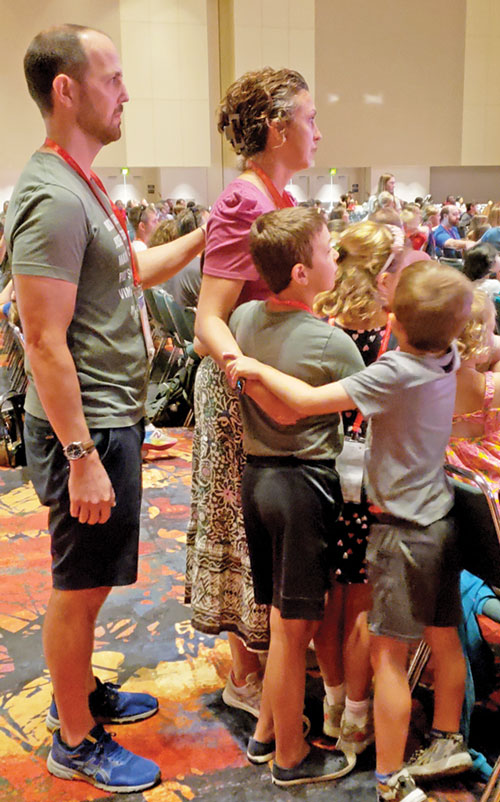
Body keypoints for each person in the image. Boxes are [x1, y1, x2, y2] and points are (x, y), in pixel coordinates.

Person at [5, 24, 205, 794]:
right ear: (67, 89)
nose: (127, 91)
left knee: (91, 586)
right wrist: (82, 456)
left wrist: (203, 236)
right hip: (83, 429)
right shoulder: (51, 195)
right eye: (114, 77)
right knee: (78, 586)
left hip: (112, 416)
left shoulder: (86, 182)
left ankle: (81, 698)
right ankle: (75, 741)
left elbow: (136, 270)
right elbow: (45, 343)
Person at [226, 261, 474, 802]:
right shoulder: (449, 357)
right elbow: (474, 397)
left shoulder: (393, 371)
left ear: (396, 323)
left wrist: (256, 369)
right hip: (441, 519)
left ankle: (388, 775)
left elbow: (307, 403)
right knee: (443, 636)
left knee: (388, 656)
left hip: (397, 531)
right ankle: (446, 738)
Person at [185, 67, 321, 716]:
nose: (319, 132)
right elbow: (208, 316)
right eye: (311, 119)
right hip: (238, 387)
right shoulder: (247, 198)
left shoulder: (272, 196)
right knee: (240, 526)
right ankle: (246, 673)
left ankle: (263, 663)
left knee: (253, 526)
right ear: (278, 128)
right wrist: (251, 372)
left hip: (257, 382)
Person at [228, 206, 362, 784]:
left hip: (255, 482)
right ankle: (290, 756)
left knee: (281, 622)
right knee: (291, 630)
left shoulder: (243, 319)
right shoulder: (334, 345)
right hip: (304, 485)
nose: (338, 258)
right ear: (302, 272)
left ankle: (267, 736)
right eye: (330, 251)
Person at [313, 220, 404, 755]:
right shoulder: (392, 327)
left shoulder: (321, 317)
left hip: (320, 465)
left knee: (328, 595)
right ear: (385, 270)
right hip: (373, 474)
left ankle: (330, 701)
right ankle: (354, 717)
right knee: (363, 598)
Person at [446, 289, 500, 503]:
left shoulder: (416, 385)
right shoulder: (492, 387)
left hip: (444, 486)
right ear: (476, 338)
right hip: (488, 492)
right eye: (490, 329)